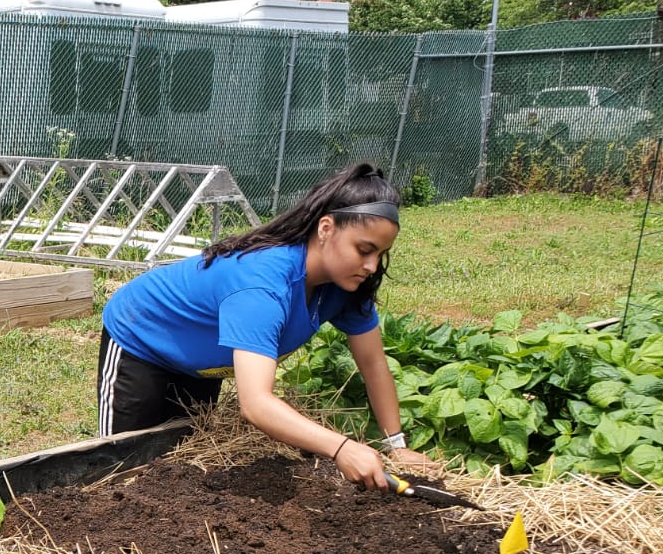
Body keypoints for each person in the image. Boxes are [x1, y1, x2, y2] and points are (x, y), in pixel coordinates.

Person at [98, 162, 440, 489]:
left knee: (182, 465)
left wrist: (396, 445)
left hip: (200, 366)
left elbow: (373, 363)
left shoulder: (346, 288)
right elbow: (256, 404)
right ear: (325, 229)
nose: (371, 265)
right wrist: (341, 448)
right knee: (120, 468)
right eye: (364, 249)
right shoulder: (263, 285)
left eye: (380, 253)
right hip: (141, 339)